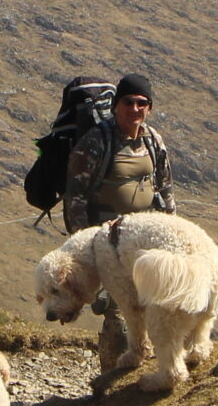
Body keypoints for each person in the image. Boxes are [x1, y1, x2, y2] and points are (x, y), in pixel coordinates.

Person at [59, 73, 173, 380]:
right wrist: (86, 245)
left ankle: (148, 367)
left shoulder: (153, 140)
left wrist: (173, 230)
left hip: (147, 242)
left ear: (149, 107)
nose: (135, 109)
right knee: (119, 312)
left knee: (154, 304)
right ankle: (112, 381)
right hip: (107, 245)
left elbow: (164, 188)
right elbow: (76, 196)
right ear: (116, 105)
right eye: (128, 102)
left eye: (142, 103)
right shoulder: (96, 142)